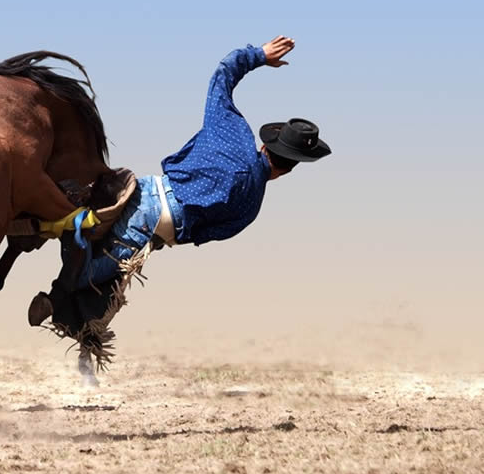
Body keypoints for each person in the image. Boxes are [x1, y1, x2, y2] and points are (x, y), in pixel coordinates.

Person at [29, 35, 332, 345]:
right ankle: (56, 295)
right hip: (154, 227)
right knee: (90, 278)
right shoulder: (251, 206)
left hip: (145, 188)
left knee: (84, 213)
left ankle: (46, 223)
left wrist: (259, 55)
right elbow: (201, 233)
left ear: (266, 144)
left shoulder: (234, 132)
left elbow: (223, 74)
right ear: (289, 169)